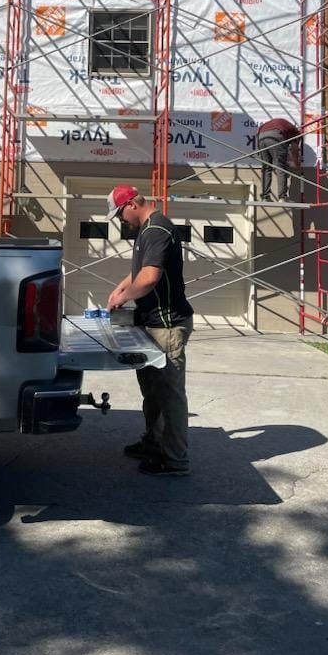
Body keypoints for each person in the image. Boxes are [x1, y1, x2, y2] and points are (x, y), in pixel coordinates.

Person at [106, 185, 193, 476]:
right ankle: (153, 443)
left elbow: (149, 278)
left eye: (119, 213)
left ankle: (175, 461)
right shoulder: (148, 229)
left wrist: (124, 296)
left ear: (131, 204)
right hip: (151, 323)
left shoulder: (156, 229)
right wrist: (121, 286)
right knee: (152, 390)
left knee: (169, 394)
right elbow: (141, 271)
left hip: (166, 325)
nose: (120, 220)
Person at [256, 117, 301, 201]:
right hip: (276, 135)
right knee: (280, 167)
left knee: (266, 168)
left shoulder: (282, 124)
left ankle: (265, 197)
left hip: (260, 136)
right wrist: (296, 164)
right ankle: (282, 197)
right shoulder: (295, 132)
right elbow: (294, 149)